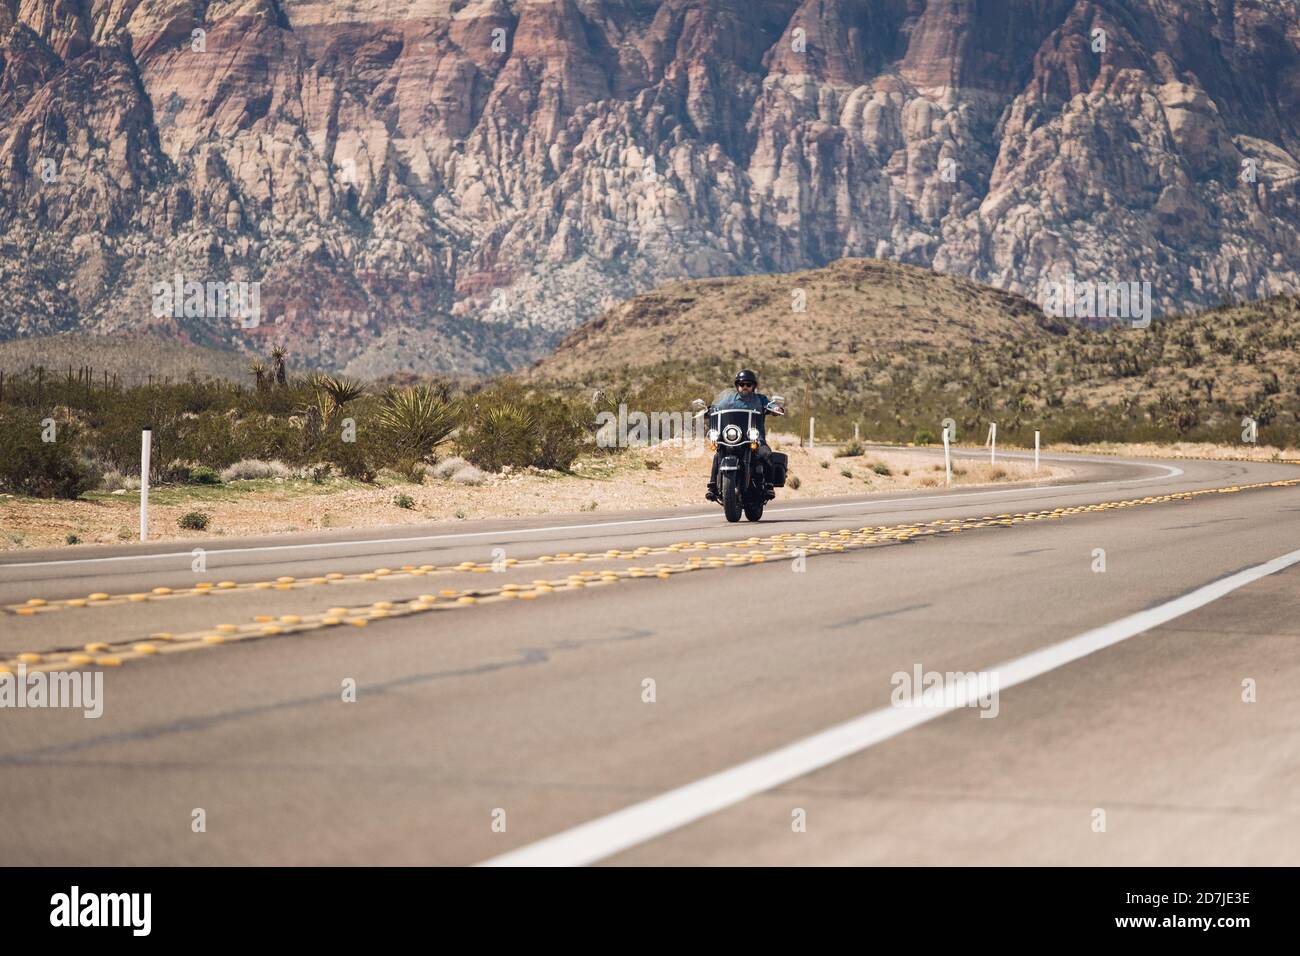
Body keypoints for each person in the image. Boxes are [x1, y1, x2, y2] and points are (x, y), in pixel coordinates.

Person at [705, 369, 784, 501]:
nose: (745, 387)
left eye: (748, 384)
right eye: (742, 384)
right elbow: (718, 406)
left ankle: (769, 486)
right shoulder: (730, 399)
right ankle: (712, 486)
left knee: (766, 454)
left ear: (753, 386)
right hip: (733, 437)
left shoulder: (760, 399)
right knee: (718, 453)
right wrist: (709, 409)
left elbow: (770, 405)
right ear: (737, 386)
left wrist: (776, 408)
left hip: (754, 437)